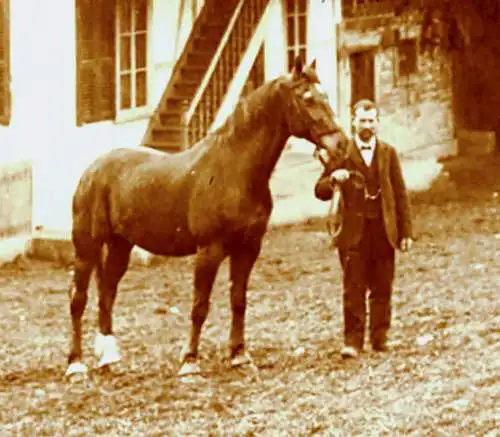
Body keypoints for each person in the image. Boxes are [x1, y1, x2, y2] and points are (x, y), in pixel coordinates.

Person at [314, 99, 414, 359]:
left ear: (377, 123)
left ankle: (380, 338)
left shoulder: (388, 153)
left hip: (383, 229)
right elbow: (320, 190)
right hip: (352, 232)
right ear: (353, 122)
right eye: (362, 120)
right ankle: (353, 341)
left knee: (383, 286)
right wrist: (334, 178)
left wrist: (405, 232)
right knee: (354, 287)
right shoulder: (342, 154)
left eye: (371, 120)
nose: (367, 125)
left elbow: (400, 194)